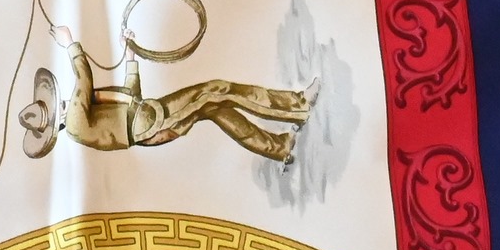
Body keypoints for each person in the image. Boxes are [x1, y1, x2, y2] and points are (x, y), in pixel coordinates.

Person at [29, 24, 310, 164]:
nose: (61, 101)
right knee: (218, 89)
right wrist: (70, 44)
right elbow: (83, 78)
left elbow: (130, 98)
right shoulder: (75, 122)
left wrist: (130, 55)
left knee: (216, 109)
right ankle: (296, 106)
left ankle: (280, 148)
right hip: (154, 122)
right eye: (55, 105)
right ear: (55, 121)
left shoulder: (84, 114)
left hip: (150, 117)